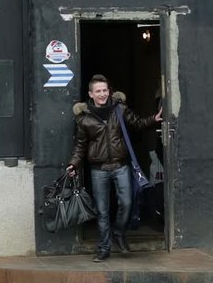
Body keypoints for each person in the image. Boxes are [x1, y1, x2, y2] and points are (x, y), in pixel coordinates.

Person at [66, 74, 162, 263]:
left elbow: (137, 123)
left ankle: (119, 233)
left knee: (126, 203)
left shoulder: (120, 109)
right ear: (91, 94)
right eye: (98, 91)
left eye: (104, 90)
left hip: (121, 166)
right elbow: (80, 145)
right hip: (98, 169)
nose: (102, 94)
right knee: (102, 211)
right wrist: (73, 164)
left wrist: (154, 119)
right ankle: (103, 248)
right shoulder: (84, 119)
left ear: (109, 91)